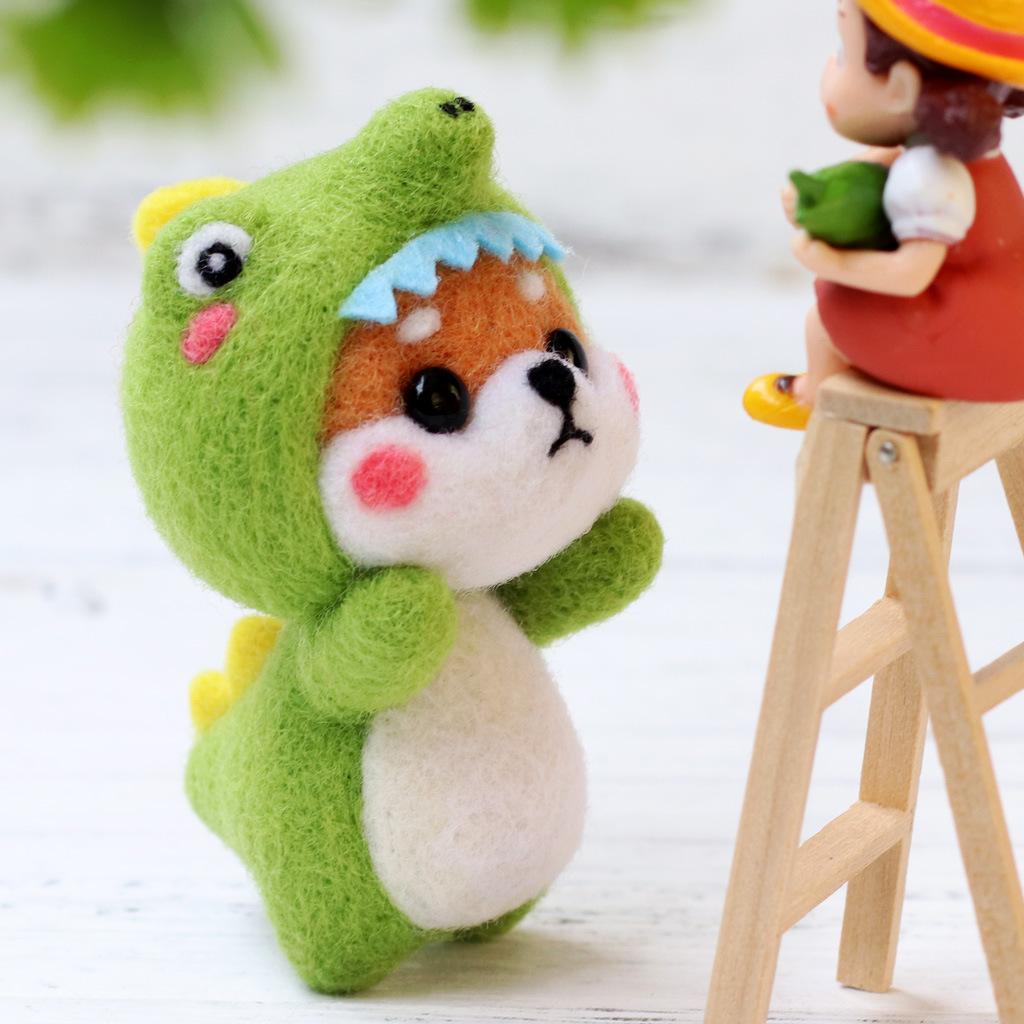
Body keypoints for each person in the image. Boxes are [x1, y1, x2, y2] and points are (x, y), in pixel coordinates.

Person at [744, 0, 1024, 430]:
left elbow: (911, 274)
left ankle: (815, 394)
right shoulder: (969, 153)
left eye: (844, 54)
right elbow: (893, 154)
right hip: (1008, 332)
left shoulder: (928, 178)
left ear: (900, 88)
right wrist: (818, 190)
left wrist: (826, 259)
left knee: (831, 306)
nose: (831, 65)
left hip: (982, 352)